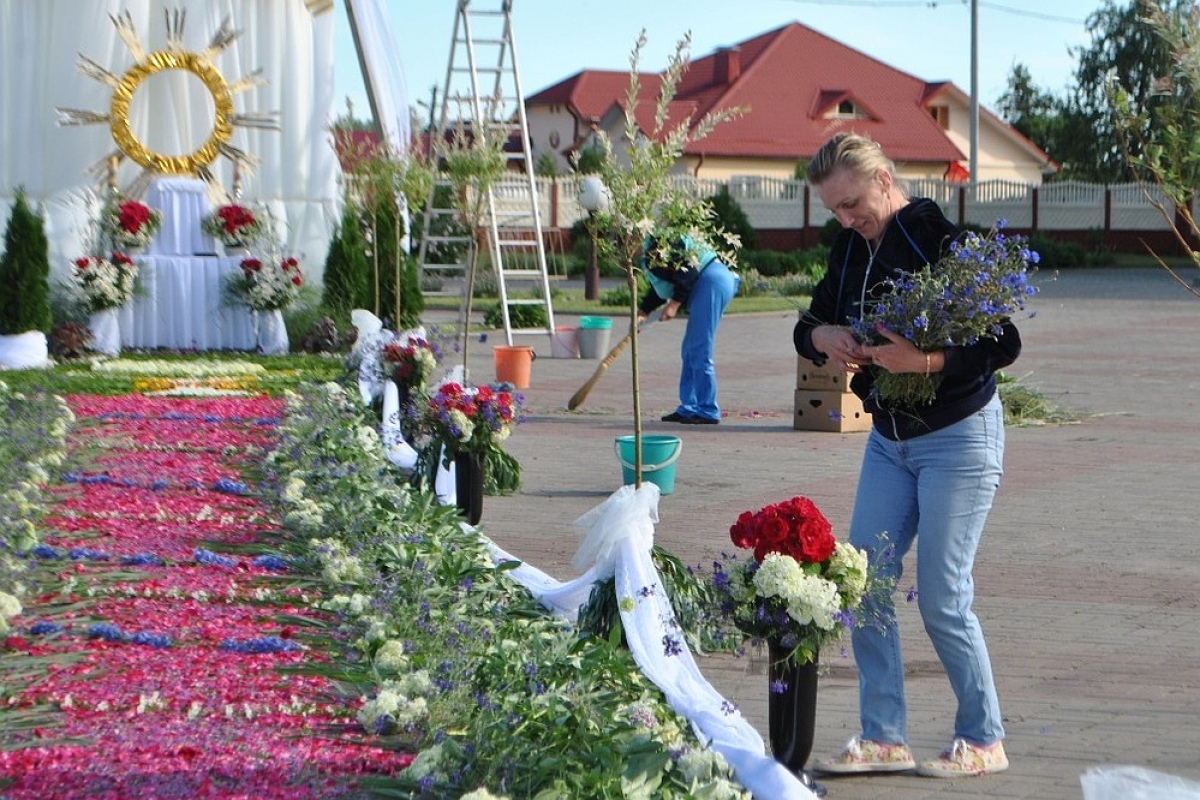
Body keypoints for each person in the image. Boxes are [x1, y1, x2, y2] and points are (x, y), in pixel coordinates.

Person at [794, 133, 1019, 778]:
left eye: (854, 203)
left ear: (886, 179)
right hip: (889, 442)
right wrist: (824, 334)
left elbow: (1003, 341)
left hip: (960, 438)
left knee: (944, 597)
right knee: (865, 587)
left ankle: (984, 739)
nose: (847, 219)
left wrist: (925, 360)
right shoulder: (849, 249)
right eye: (835, 209)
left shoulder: (936, 239)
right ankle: (884, 737)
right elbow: (805, 325)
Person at [637, 234, 739, 425]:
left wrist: (674, 304)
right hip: (709, 283)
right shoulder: (650, 253)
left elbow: (688, 270)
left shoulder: (661, 243)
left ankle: (707, 409)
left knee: (700, 348)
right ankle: (689, 407)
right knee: (690, 349)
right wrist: (643, 310)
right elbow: (666, 284)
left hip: (711, 282)